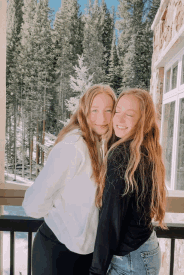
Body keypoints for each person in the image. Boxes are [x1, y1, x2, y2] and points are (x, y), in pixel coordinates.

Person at [22, 84, 117, 275]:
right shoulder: (73, 147)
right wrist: (62, 217)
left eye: (109, 110)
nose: (103, 118)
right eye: (95, 110)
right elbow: (32, 205)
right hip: (56, 252)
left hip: (83, 256)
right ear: (84, 111)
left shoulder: (100, 145)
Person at [89, 88, 168, 275]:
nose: (119, 119)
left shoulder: (122, 154)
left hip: (131, 260)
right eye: (117, 112)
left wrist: (96, 270)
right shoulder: (144, 150)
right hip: (144, 251)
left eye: (129, 114)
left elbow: (110, 219)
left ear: (143, 121)